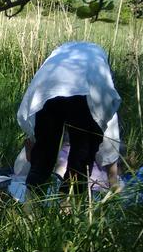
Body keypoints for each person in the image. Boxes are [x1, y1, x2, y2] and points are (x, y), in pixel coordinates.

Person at [17, 42, 121, 193]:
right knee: (81, 156)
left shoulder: (61, 54)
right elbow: (109, 131)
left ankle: (30, 208)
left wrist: (35, 146)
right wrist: (113, 181)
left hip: (47, 88)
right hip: (82, 91)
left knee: (43, 155)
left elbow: (41, 134)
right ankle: (68, 207)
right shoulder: (97, 72)